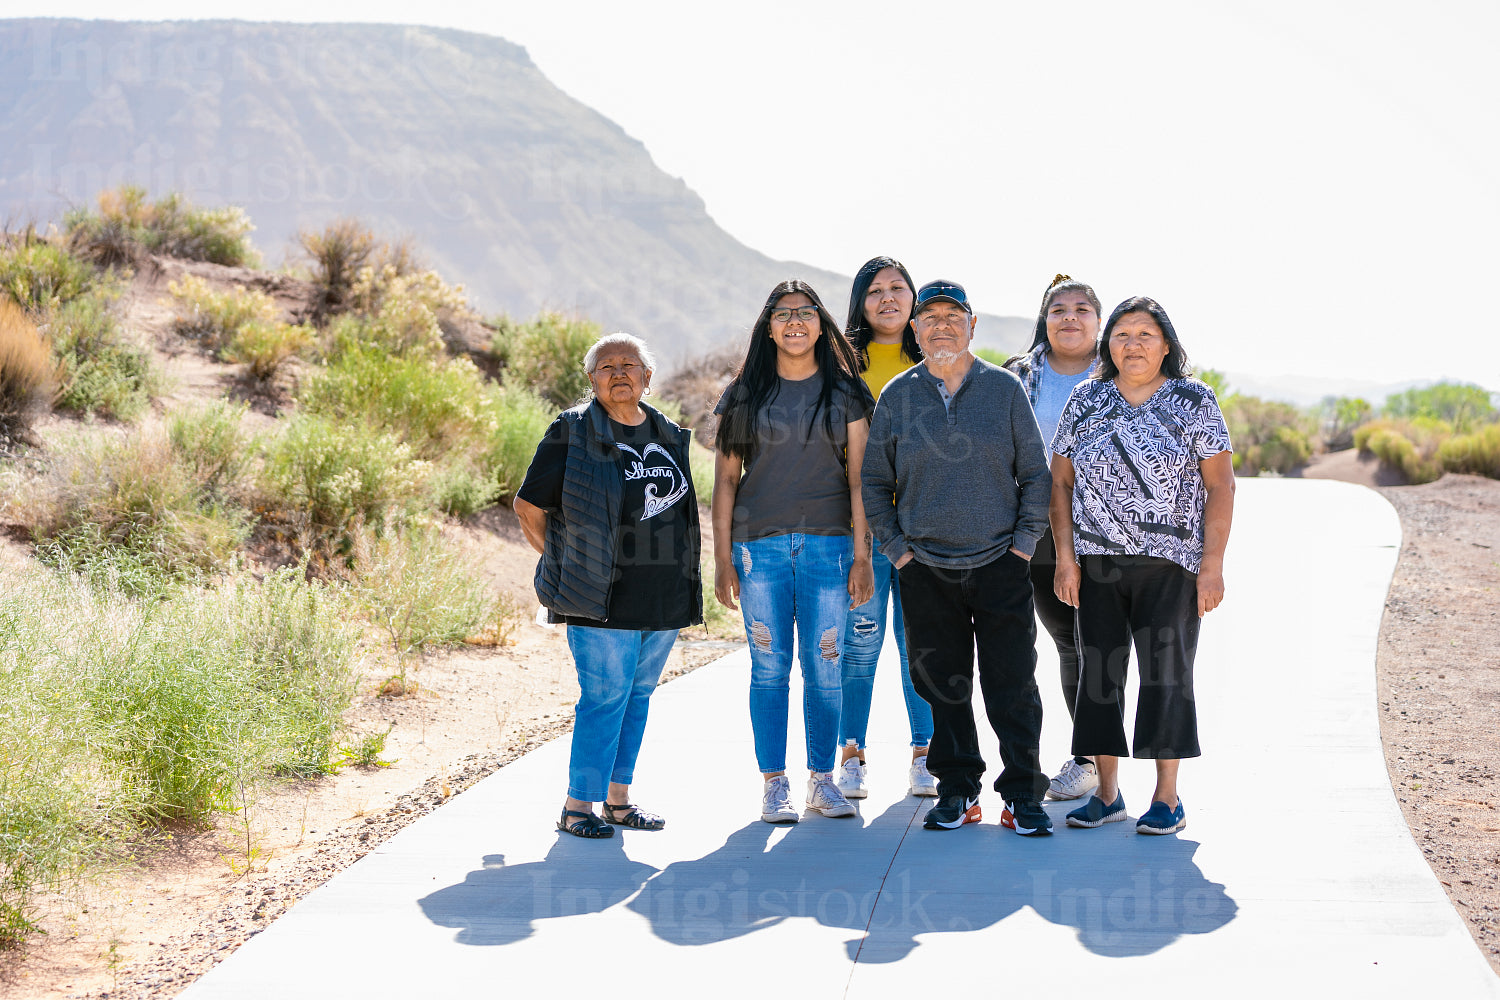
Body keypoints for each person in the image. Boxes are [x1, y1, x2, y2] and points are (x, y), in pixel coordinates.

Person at [862, 279, 1054, 836]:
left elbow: (1035, 474)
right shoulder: (898, 395)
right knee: (941, 685)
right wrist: (899, 553)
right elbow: (874, 481)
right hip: (925, 568)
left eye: (954, 316)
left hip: (1000, 563)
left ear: (973, 325)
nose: (942, 326)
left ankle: (1021, 794)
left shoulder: (1004, 390)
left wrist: (1023, 544)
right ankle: (958, 790)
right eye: (931, 317)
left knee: (1013, 682)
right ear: (915, 329)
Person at [1049, 296, 1234, 835]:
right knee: (1099, 678)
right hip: (1097, 562)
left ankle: (1167, 798)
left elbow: (1220, 485)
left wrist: (1212, 564)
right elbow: (1060, 481)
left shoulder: (1195, 400)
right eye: (1123, 334)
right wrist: (1065, 558)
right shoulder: (1087, 399)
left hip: (1172, 566)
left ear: (1167, 345)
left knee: (1166, 677)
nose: (1133, 345)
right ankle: (1106, 796)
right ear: (1108, 344)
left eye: (1145, 335)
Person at [514, 332, 702, 839]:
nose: (619, 373)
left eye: (629, 364)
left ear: (648, 376)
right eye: (606, 366)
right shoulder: (571, 431)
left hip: (662, 596)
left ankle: (618, 802)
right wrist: (568, 562)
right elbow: (529, 506)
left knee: (637, 697)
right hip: (600, 598)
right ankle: (578, 807)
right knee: (603, 698)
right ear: (590, 379)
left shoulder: (665, 430)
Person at [713, 279, 875, 824]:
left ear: (821, 323)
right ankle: (774, 784)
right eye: (783, 314)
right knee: (769, 667)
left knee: (825, 664)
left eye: (806, 312)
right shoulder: (744, 395)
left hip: (831, 548)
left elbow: (860, 479)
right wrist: (720, 559)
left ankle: (822, 781)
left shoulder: (846, 392)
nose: (795, 322)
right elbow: (726, 483)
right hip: (760, 549)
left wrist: (862, 554)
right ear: (769, 326)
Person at [837, 256, 937, 800]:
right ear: (861, 301)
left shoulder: (935, 361)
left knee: (919, 644)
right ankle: (851, 754)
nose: (888, 298)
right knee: (858, 642)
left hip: (925, 525)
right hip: (863, 529)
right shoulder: (842, 366)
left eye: (899, 288)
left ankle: (925, 754)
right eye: (875, 290)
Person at [1004, 274, 1105, 801]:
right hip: (1037, 526)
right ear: (1044, 319)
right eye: (1059, 308)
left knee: (1099, 642)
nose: (1070, 316)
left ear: (1098, 319)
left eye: (1082, 308)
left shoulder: (1121, 371)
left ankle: (1093, 756)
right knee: (1065, 640)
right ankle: (1078, 759)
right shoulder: (1018, 375)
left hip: (1108, 529)